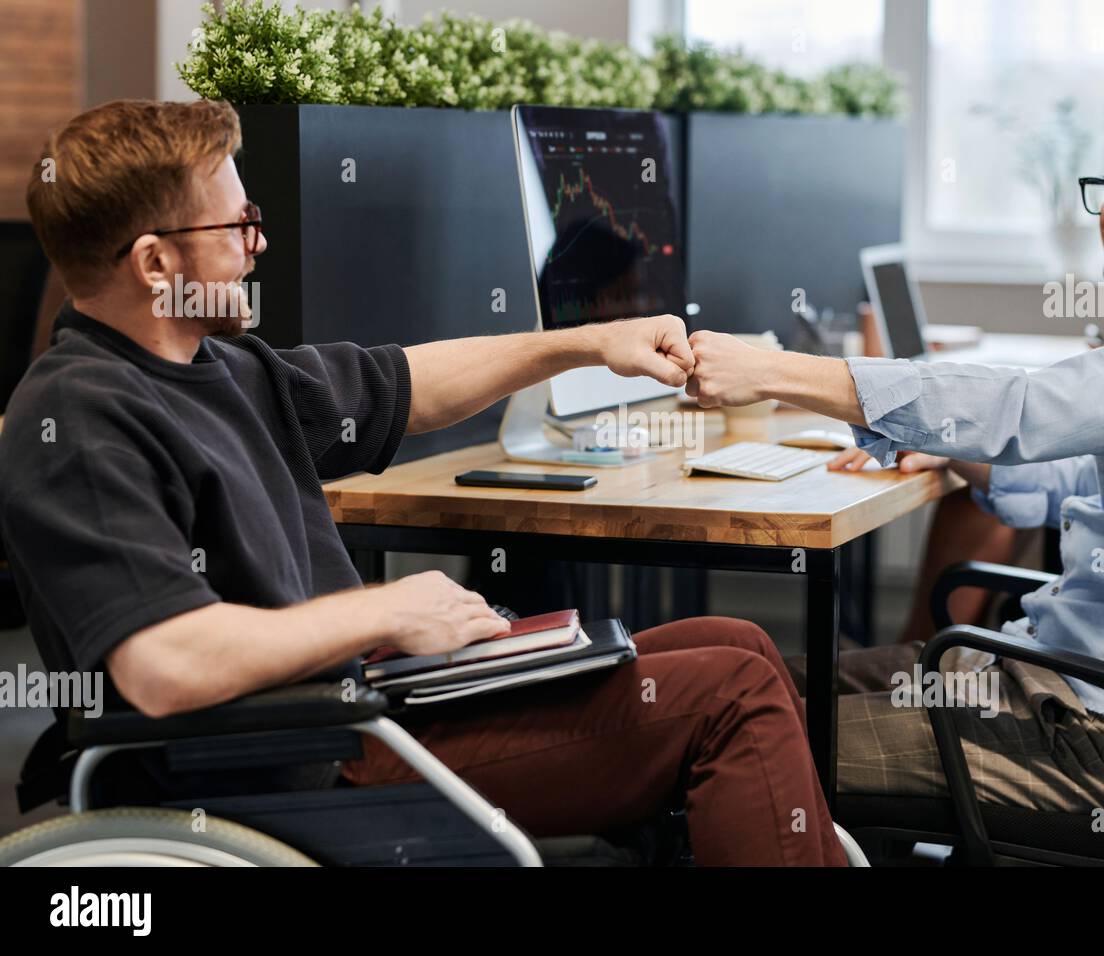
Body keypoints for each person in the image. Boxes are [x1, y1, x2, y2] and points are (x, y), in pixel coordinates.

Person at [0, 99, 845, 866]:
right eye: (239, 226)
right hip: (295, 759)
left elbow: (405, 385)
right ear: (155, 263)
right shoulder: (80, 418)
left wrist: (587, 343)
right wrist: (389, 609)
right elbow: (164, 665)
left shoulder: (220, 366)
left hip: (367, 708)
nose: (259, 244)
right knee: (727, 697)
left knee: (740, 644)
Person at [686, 82, 1104, 817]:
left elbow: (1022, 411)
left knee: (735, 729)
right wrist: (956, 453)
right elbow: (1071, 475)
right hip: (1047, 685)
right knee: (750, 676)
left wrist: (774, 371)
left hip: (1094, 735)